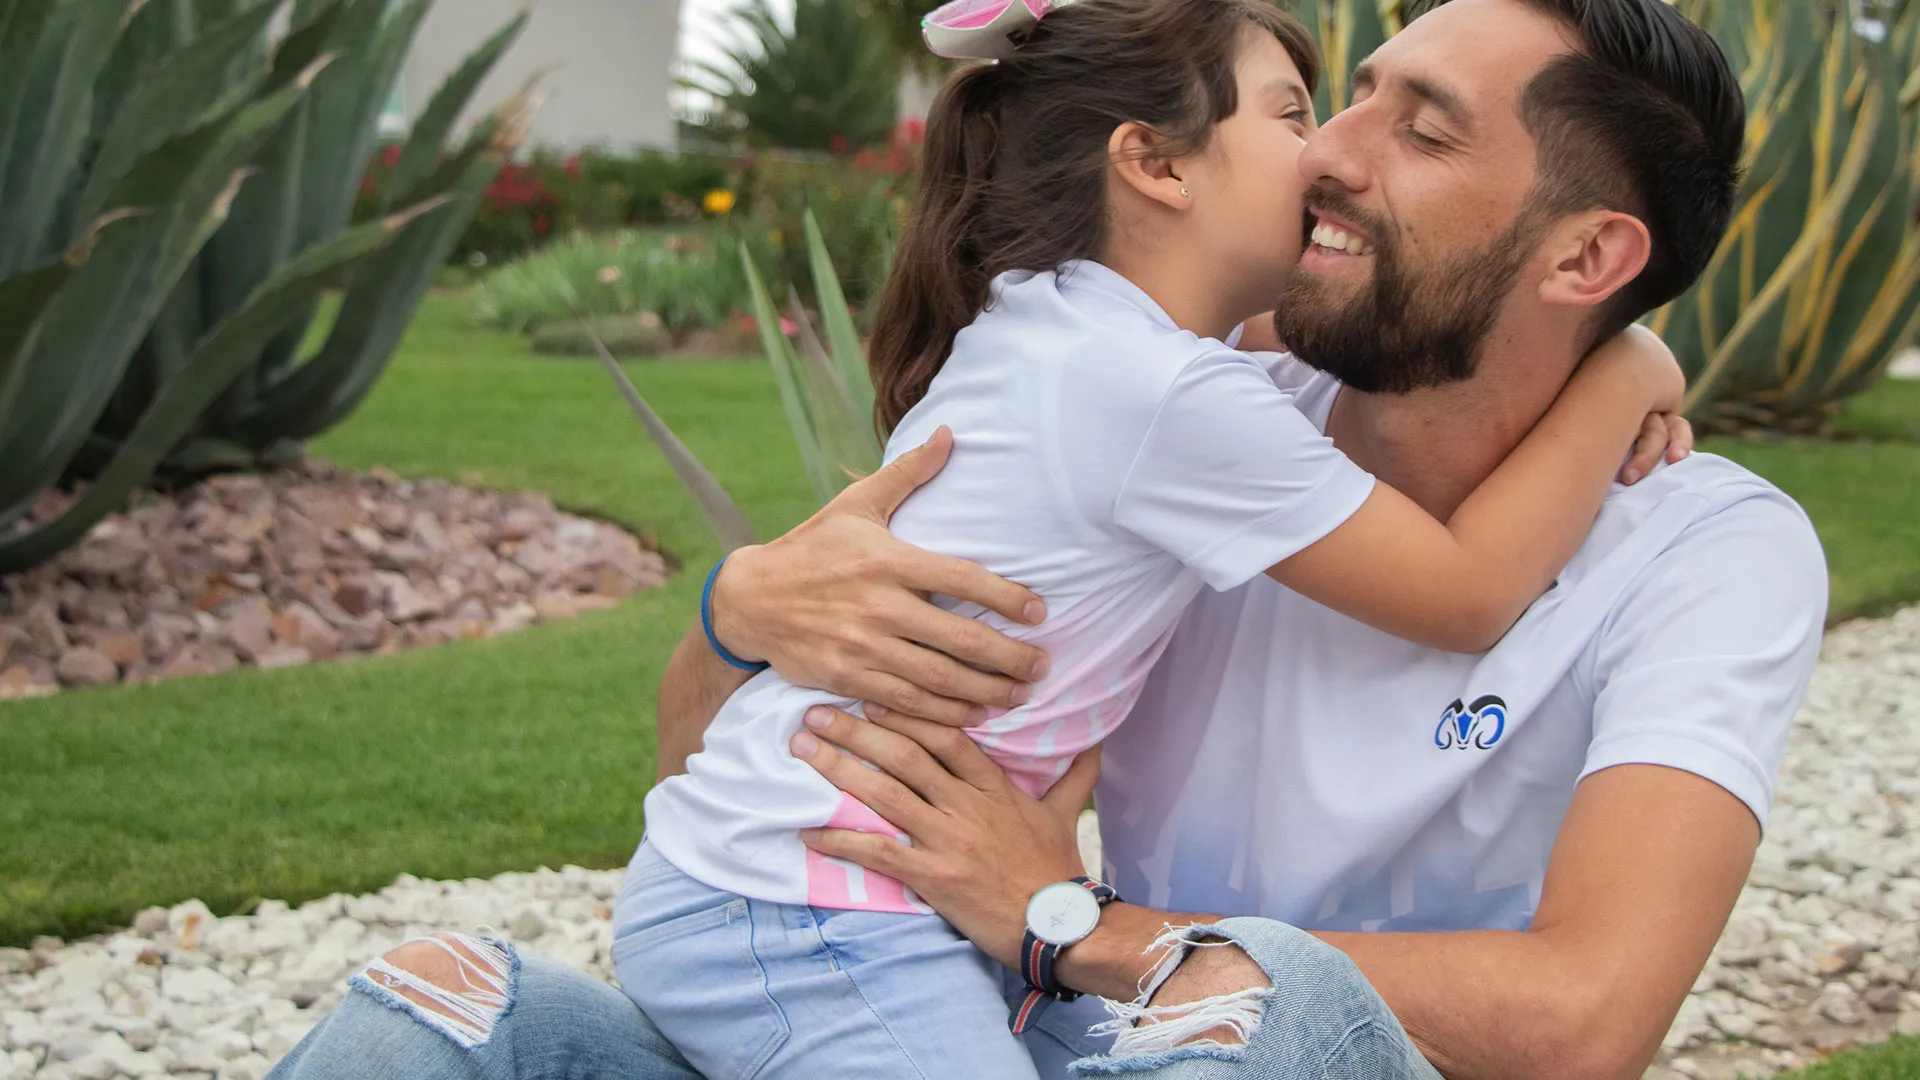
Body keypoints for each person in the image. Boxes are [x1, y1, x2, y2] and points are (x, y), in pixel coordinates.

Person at [267, 0, 1828, 1077]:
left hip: (1198, 1030)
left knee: (1267, 1020)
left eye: (1414, 128)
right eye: (1329, 100)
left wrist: (1070, 924)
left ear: (1590, 254)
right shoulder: (1204, 419)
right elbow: (700, 760)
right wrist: (747, 609)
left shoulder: (1705, 553)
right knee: (443, 1021)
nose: (1336, 150)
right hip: (1037, 1021)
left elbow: (1580, 1023)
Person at [621, 0, 1687, 1073]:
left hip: (805, 881)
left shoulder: (1071, 320)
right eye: (1292, 114)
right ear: (1158, 167)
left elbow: (1325, 328)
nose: (1323, 154)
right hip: (817, 909)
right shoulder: (1167, 395)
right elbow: (1468, 593)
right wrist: (1624, 367)